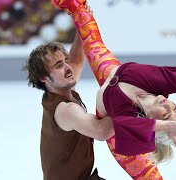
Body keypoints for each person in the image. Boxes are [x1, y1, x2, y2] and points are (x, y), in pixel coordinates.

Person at [50, 0, 176, 179]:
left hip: (120, 139)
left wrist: (167, 125)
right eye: (174, 108)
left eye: (166, 114)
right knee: (91, 37)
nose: (169, 106)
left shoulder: (130, 118)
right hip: (110, 73)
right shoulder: (161, 82)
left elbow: (124, 124)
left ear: (151, 122)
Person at [23, 16, 114, 179]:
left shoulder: (59, 89)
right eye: (58, 65)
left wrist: (83, 21)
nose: (67, 67)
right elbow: (101, 132)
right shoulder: (65, 110)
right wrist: (124, 103)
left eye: (64, 61)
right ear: (44, 78)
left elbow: (77, 60)